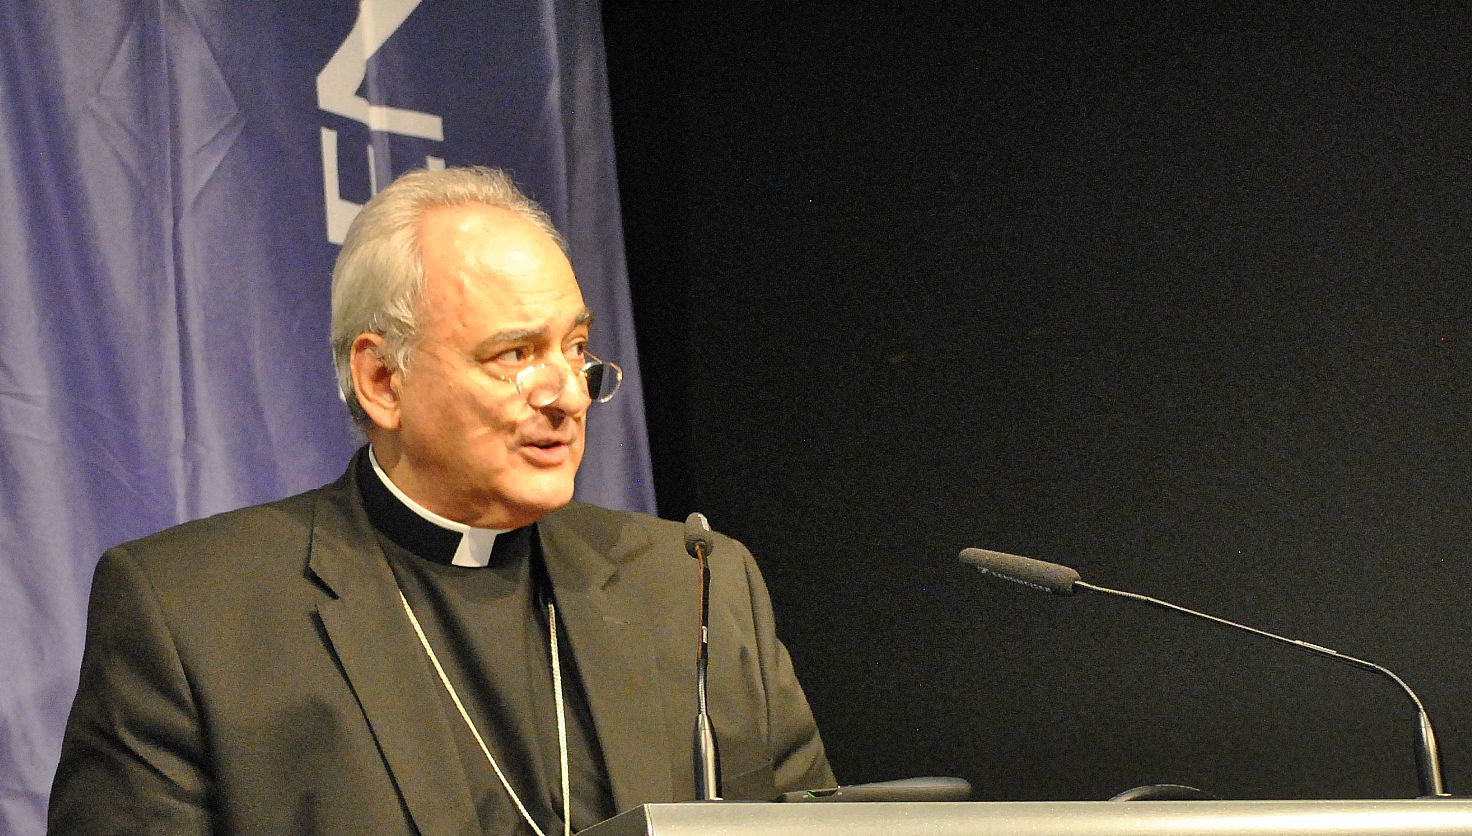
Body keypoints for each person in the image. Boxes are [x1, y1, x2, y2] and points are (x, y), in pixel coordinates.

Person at [49, 166, 834, 834]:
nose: (567, 394)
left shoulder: (696, 586)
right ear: (383, 381)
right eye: (515, 354)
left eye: (575, 347)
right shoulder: (193, 615)